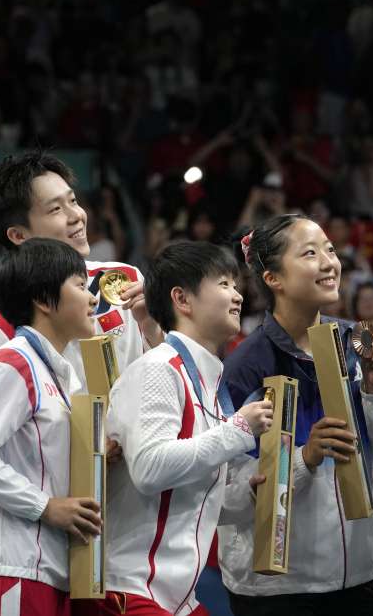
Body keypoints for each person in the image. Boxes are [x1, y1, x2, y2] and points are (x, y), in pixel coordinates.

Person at [219, 214, 373, 616]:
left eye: (330, 250)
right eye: (310, 253)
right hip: (278, 590)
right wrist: (303, 458)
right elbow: (224, 498)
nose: (329, 262)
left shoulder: (356, 341)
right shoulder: (244, 367)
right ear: (274, 279)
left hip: (357, 574)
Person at [84, 241, 274, 616]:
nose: (237, 295)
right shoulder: (158, 368)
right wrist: (238, 429)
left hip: (178, 600)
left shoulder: (210, 383)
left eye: (236, 285)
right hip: (129, 592)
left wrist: (246, 496)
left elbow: (198, 502)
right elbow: (151, 469)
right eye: (223, 284)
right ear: (182, 300)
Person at [0, 238, 103, 616]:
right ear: (44, 300)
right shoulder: (11, 364)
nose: (94, 299)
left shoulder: (58, 373)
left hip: (44, 569)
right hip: (7, 569)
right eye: (81, 287)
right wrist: (45, 506)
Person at [0, 150, 155, 389]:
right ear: (19, 235)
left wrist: (152, 328)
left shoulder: (121, 281)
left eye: (73, 201)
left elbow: (167, 384)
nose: (76, 215)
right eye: (55, 209)